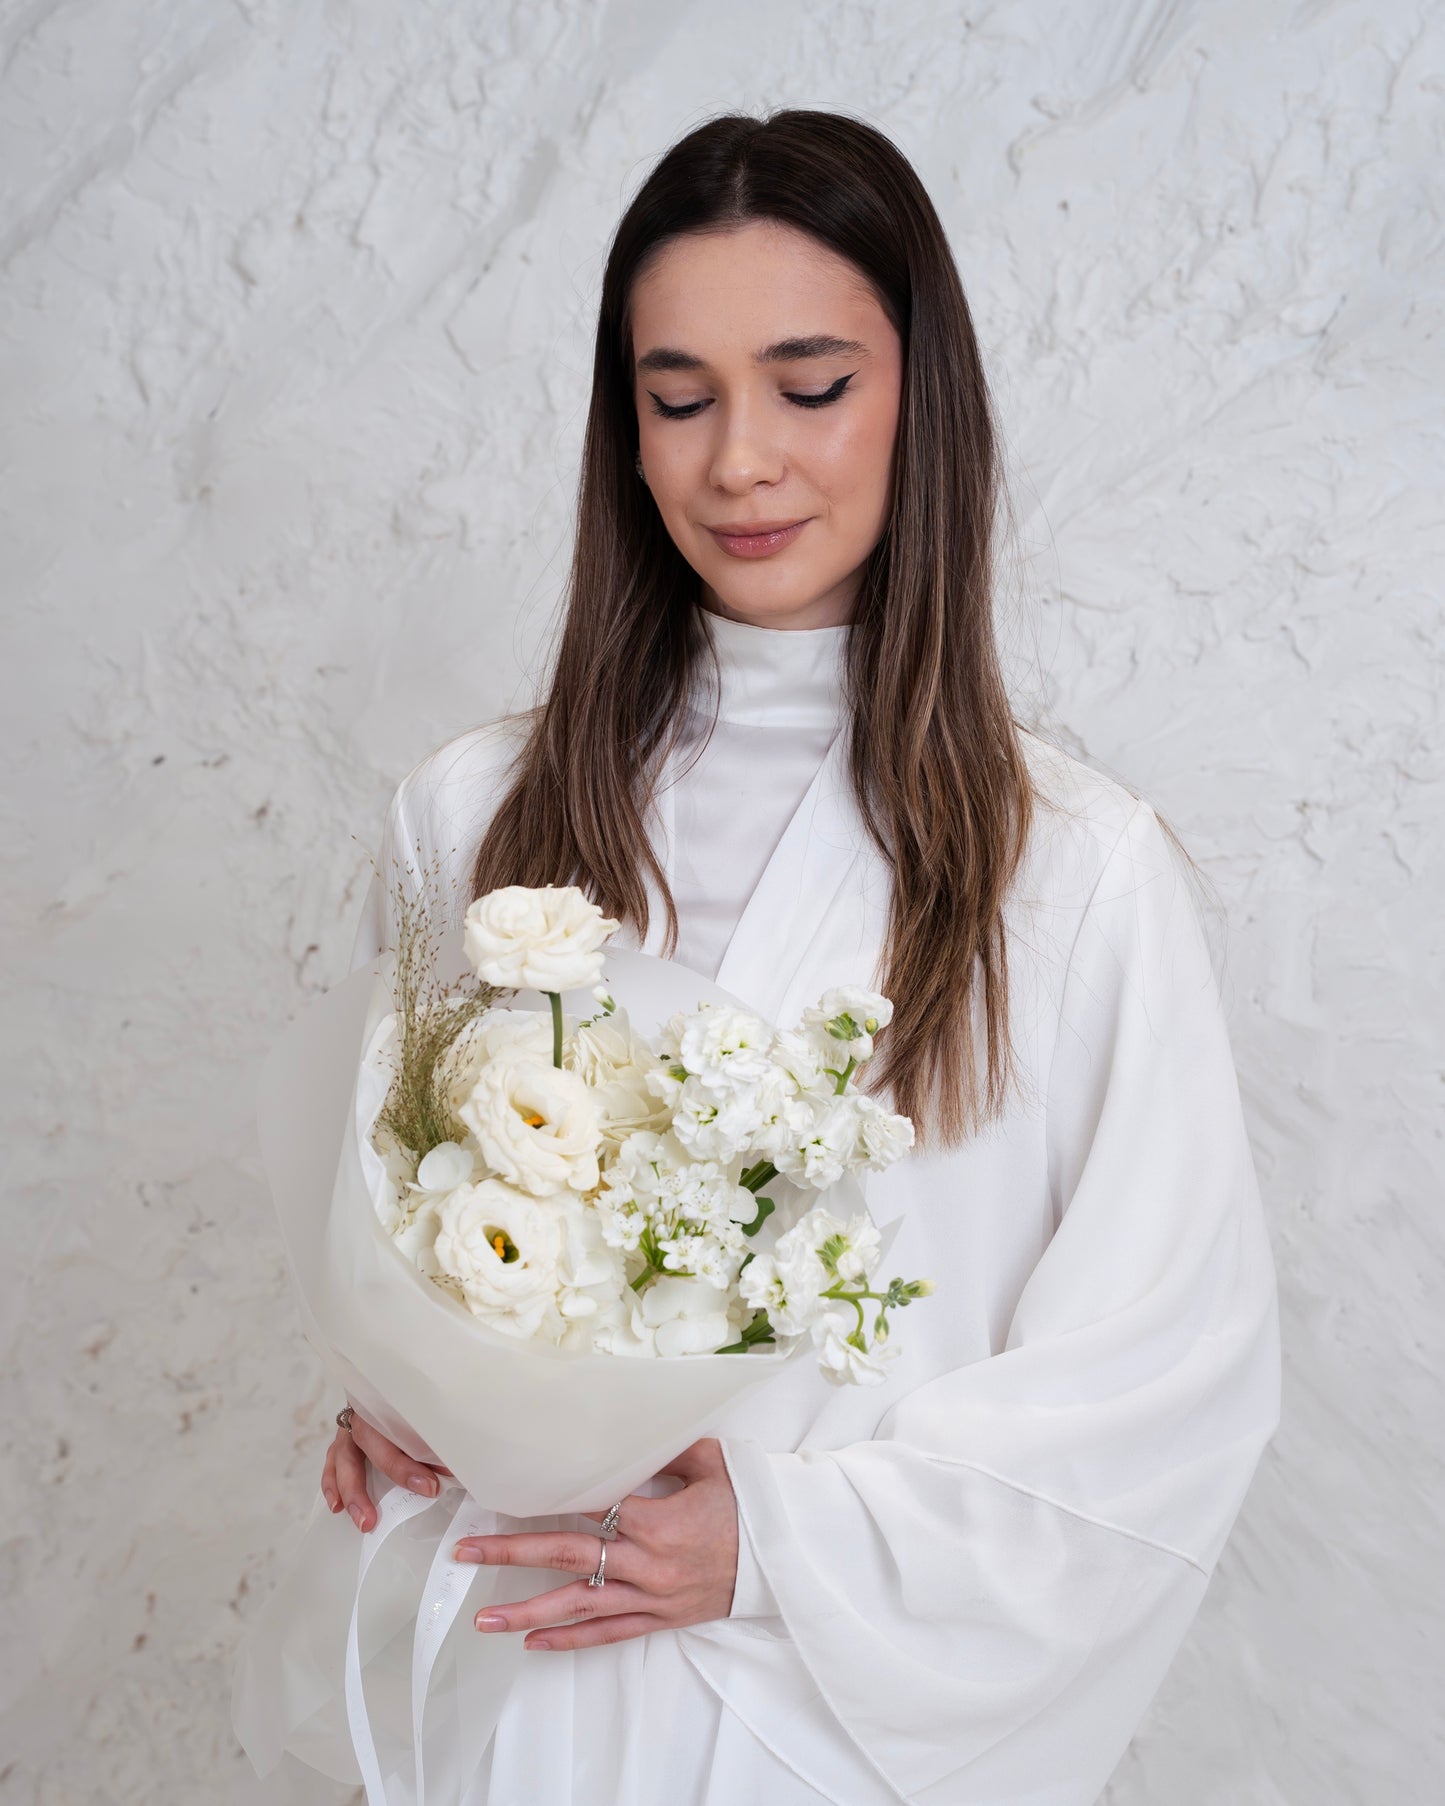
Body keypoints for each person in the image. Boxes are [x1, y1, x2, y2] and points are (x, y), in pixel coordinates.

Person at [306, 109, 1280, 1804]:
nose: (737, 458)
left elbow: (1163, 1387)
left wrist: (775, 1539)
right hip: (525, 1710)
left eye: (809, 385)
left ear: (925, 396)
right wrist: (398, 1404)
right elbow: (415, 1252)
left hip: (826, 1745)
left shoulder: (1068, 870)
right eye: (676, 398)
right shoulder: (471, 822)